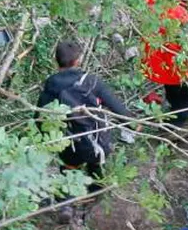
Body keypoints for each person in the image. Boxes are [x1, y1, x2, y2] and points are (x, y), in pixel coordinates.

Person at [37, 40, 135, 181]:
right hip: (95, 139)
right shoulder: (91, 82)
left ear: (56, 60)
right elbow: (115, 106)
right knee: (95, 166)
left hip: (68, 144)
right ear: (78, 61)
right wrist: (133, 124)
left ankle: (67, 200)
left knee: (68, 171)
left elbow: (41, 117)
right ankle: (95, 192)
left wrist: (48, 141)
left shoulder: (51, 86)